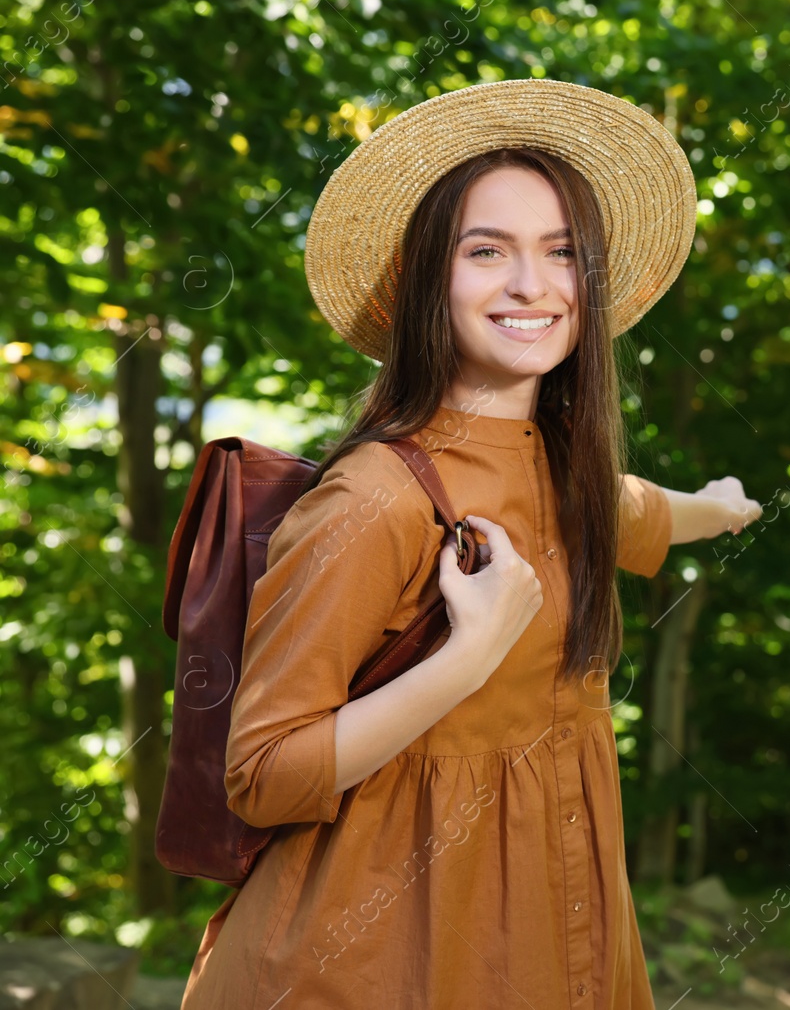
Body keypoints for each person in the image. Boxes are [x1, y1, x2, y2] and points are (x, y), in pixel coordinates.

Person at [180, 79, 760, 1009]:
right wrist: (470, 655)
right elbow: (261, 775)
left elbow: (643, 507)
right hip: (374, 961)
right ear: (425, 279)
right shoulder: (373, 498)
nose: (532, 285)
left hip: (550, 932)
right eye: (486, 250)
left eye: (562, 252)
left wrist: (721, 505)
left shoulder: (563, 474)